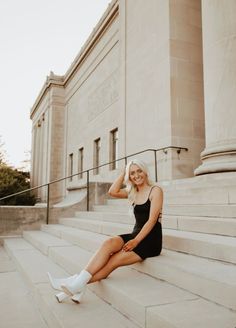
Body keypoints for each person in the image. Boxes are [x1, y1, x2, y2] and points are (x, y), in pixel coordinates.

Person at [48, 159, 163, 303]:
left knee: (112, 261)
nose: (136, 175)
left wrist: (136, 241)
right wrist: (123, 172)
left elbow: (152, 221)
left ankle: (74, 286)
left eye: (139, 171)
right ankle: (76, 286)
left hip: (150, 241)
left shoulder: (155, 190)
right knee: (109, 242)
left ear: (145, 171)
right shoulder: (133, 191)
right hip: (135, 234)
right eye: (132, 173)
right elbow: (112, 191)